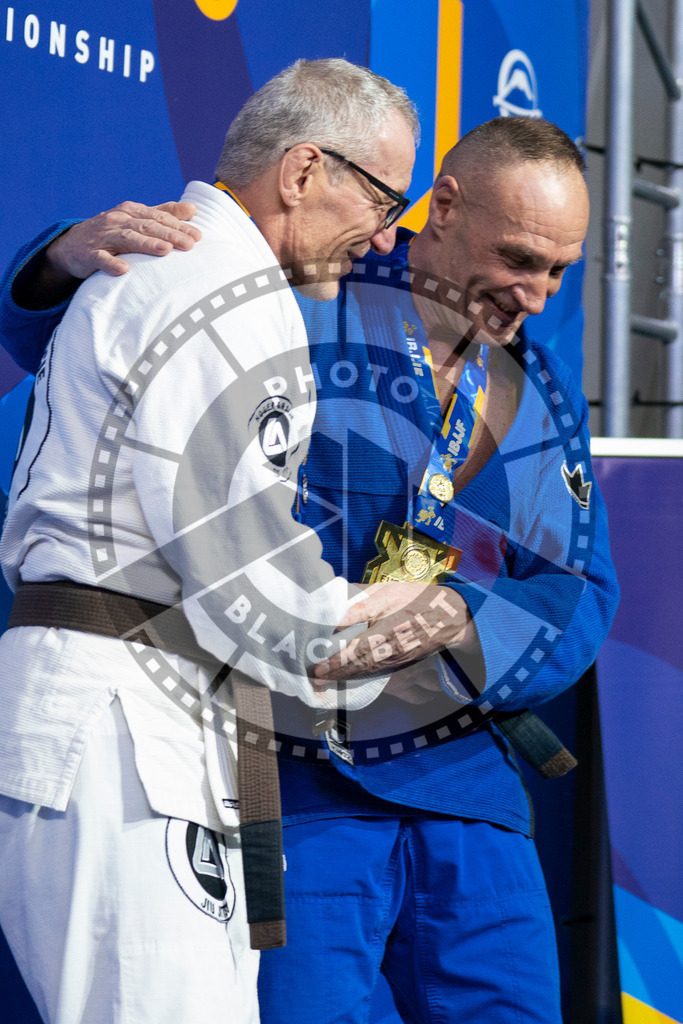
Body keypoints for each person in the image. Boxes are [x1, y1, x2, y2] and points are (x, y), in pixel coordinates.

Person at [0, 117, 619, 1023]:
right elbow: (100, 353)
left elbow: (579, 594)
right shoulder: (304, 292)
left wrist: (461, 620)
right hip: (298, 779)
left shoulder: (537, 386)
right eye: (518, 258)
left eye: (559, 271)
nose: (536, 294)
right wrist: (53, 262)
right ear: (444, 207)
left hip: (469, 787)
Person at [0, 57, 420, 1024]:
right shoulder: (210, 287)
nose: (384, 236)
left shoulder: (202, 277)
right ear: (303, 170)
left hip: (149, 714)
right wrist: (378, 629)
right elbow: (243, 568)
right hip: (118, 718)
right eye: (384, 201)